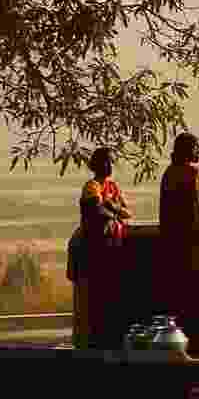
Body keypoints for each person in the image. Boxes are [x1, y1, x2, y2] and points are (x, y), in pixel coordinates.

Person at [73, 147, 132, 348]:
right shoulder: (91, 186)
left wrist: (110, 206)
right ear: (96, 165)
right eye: (105, 162)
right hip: (93, 246)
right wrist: (112, 207)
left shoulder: (111, 186)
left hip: (110, 244)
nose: (108, 166)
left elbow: (126, 213)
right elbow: (97, 211)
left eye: (110, 162)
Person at [158, 131, 199, 319]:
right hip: (191, 243)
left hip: (173, 241)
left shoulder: (169, 173)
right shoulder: (191, 174)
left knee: (177, 293)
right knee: (193, 291)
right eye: (196, 147)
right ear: (187, 150)